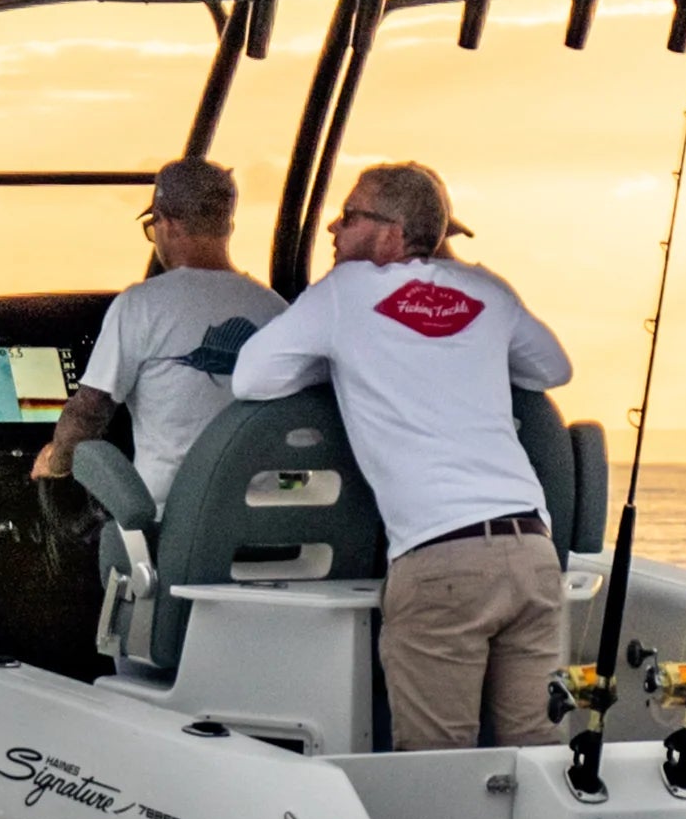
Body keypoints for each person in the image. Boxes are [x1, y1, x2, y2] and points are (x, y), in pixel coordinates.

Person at [231, 162, 574, 751]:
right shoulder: (486, 291)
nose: (333, 230)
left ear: (392, 234)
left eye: (350, 216)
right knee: (536, 757)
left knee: (436, 767)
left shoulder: (344, 293)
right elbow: (552, 368)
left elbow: (251, 378)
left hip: (441, 562)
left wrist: (339, 360)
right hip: (532, 555)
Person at [31, 157, 284, 508]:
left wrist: (56, 464)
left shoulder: (141, 306)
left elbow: (88, 411)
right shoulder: (276, 310)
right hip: (267, 518)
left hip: (173, 525)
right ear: (227, 226)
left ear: (168, 225)